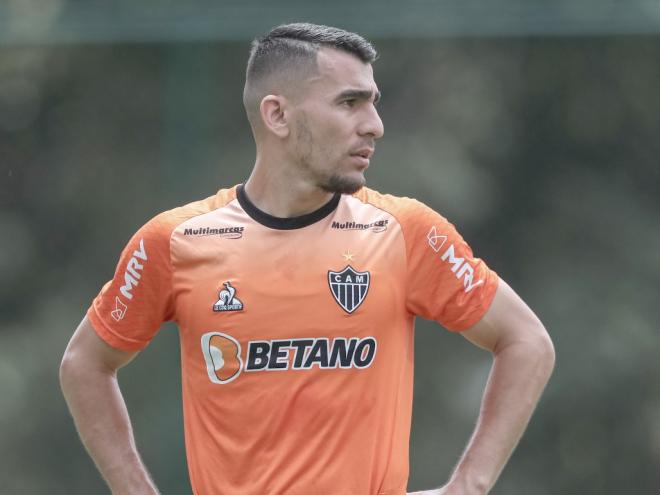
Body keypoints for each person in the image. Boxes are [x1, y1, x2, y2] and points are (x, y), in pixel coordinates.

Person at [59, 22, 555, 495]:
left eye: (373, 102)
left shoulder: (405, 232)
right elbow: (85, 363)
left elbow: (527, 341)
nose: (375, 126)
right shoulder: (175, 241)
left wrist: (469, 484)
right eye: (349, 102)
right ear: (277, 115)